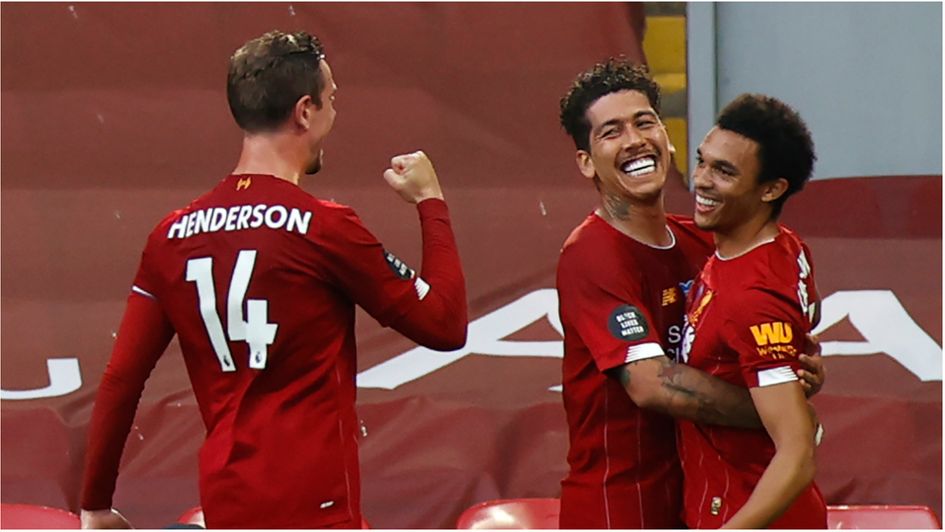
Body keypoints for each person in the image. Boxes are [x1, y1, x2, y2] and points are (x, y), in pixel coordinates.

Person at [79, 30, 467, 529]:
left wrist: (94, 504)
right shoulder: (325, 227)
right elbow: (446, 325)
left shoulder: (169, 236)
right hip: (318, 511)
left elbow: (120, 380)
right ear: (304, 111)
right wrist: (431, 204)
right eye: (331, 101)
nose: (335, 114)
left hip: (226, 505)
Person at [555, 59, 824, 529]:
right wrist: (784, 415)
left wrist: (791, 367)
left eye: (644, 122)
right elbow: (650, 383)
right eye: (611, 132)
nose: (635, 139)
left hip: (698, 502)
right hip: (620, 509)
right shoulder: (591, 255)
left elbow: (770, 332)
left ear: (666, 135)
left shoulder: (709, 245)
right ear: (586, 162)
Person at [677, 93, 825, 528]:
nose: (701, 180)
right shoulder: (784, 246)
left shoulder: (752, 297)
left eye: (723, 172)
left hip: (747, 514)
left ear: (772, 188)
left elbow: (797, 453)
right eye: (702, 161)